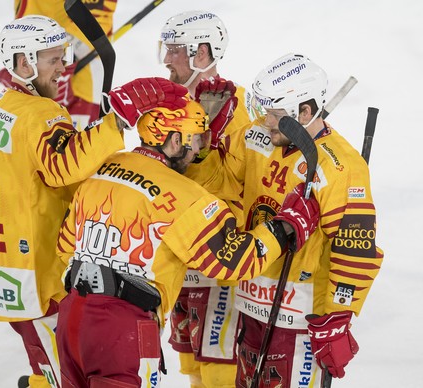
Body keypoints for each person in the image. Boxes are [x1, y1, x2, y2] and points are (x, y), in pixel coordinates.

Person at [0, 15, 188, 388]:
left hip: (7, 267)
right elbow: (61, 166)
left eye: (63, 56)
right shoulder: (40, 114)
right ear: (24, 63)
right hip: (36, 276)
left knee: (58, 373)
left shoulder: (3, 106)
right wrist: (116, 122)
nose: (63, 68)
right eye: (53, 59)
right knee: (68, 379)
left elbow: (45, 164)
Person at [54, 95, 320, 387]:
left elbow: (65, 246)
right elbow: (236, 260)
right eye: (195, 139)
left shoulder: (100, 172)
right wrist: (286, 226)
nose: (199, 149)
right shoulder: (184, 194)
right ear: (174, 140)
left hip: (71, 319)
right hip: (122, 329)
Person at [202, 53, 385, 387]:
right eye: (262, 112)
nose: (264, 121)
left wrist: (337, 316)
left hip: (299, 319)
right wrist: (202, 147)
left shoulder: (341, 168)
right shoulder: (257, 136)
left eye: (273, 114)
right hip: (249, 303)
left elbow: (356, 251)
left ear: (305, 111)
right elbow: (219, 182)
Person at [158, 10, 252, 387]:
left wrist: (204, 150)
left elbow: (236, 190)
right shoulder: (174, 101)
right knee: (193, 365)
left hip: (218, 256)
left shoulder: (237, 110)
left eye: (175, 49)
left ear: (202, 54)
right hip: (182, 250)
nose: (166, 58)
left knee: (219, 369)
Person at [0, 0, 118, 129]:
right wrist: (22, 65)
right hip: (37, 72)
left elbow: (97, 14)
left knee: (79, 145)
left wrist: (60, 63)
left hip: (81, 84)